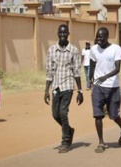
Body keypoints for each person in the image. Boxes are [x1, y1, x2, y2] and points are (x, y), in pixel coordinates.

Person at [44, 24, 83, 154]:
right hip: (55, 87)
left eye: (65, 33)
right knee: (55, 114)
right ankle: (69, 130)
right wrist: (46, 90)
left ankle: (65, 141)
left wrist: (80, 91)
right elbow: (49, 72)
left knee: (63, 113)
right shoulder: (51, 50)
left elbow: (76, 72)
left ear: (68, 34)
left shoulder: (73, 50)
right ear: (57, 33)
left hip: (67, 86)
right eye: (60, 33)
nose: (62, 35)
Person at [89, 27, 121, 153]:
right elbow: (92, 65)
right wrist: (90, 79)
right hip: (98, 87)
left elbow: (117, 69)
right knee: (98, 115)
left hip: (113, 87)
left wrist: (105, 77)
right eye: (97, 36)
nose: (99, 39)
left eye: (101, 37)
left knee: (113, 115)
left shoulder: (115, 49)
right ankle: (101, 142)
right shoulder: (93, 49)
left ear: (107, 37)